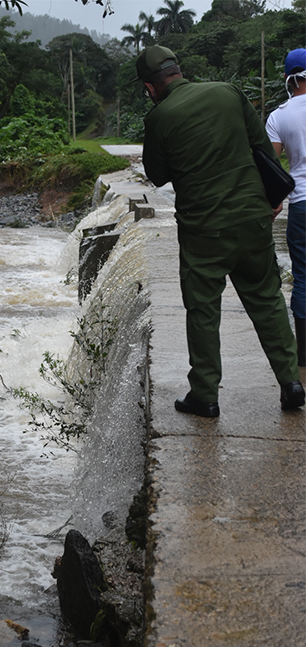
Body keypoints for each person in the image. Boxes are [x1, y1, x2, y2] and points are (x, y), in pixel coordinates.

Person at [133, 45, 305, 417]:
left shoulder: (160, 117)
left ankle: (205, 395)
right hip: (253, 218)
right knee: (267, 300)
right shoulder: (228, 92)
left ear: (150, 87)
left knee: (203, 310)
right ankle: (291, 381)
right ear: (179, 70)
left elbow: (158, 175)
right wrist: (271, 197)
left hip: (203, 230)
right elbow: (262, 148)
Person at [266, 48, 306, 367]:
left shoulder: (279, 115)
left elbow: (271, 166)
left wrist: (275, 203)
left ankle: (303, 355)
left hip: (302, 205)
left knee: (303, 277)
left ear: (289, 78)